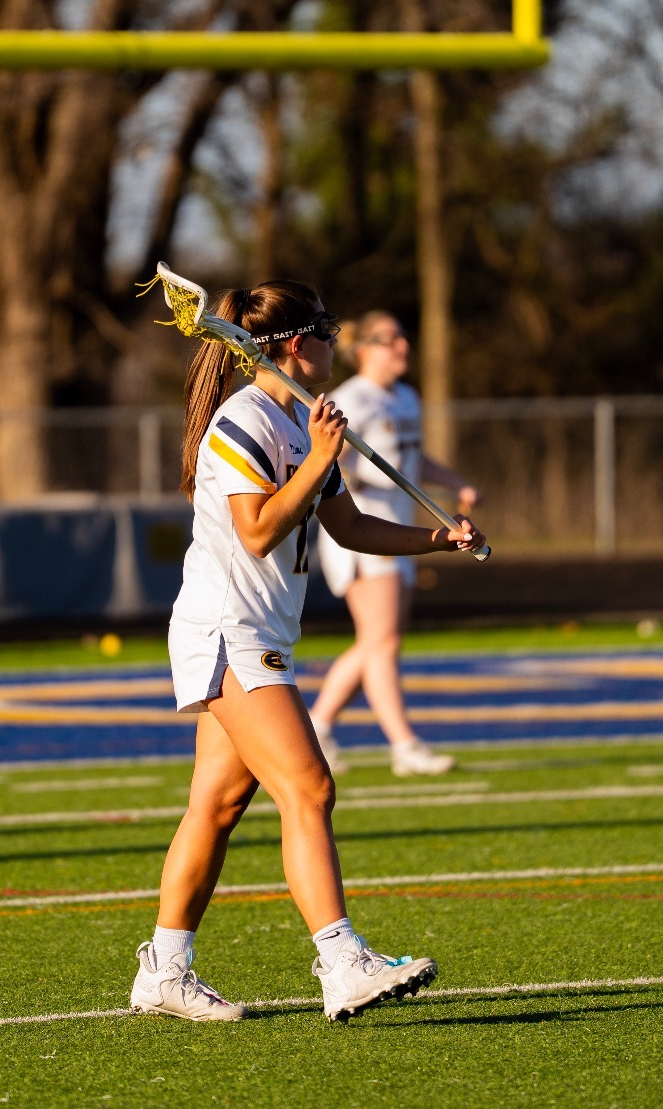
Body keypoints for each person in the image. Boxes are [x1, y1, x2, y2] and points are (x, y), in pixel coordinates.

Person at [131, 280, 485, 1024]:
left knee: (217, 806)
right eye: (326, 329)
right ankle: (342, 960)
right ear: (297, 344)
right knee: (310, 786)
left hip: (261, 630)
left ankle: (163, 968)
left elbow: (349, 527)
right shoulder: (246, 419)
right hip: (228, 628)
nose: (335, 341)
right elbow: (259, 530)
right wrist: (318, 457)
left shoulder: (298, 418)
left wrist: (437, 538)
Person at [310, 311, 478, 777]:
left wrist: (457, 484)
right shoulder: (352, 399)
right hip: (363, 534)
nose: (403, 346)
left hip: (402, 533)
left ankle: (318, 725)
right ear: (364, 348)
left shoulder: (406, 397)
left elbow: (412, 459)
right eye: (390, 339)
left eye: (403, 337)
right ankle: (404, 745)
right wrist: (347, 475)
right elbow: (327, 460)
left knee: (378, 642)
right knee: (382, 643)